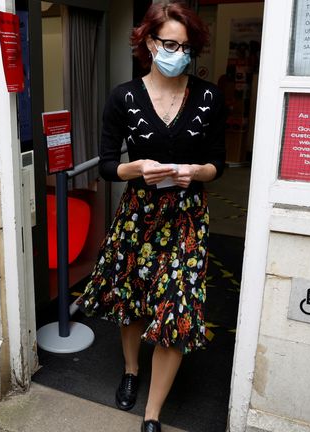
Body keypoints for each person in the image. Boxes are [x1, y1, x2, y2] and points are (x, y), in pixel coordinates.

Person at [75, 2, 225, 432]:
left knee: (177, 310)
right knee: (133, 301)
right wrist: (135, 168)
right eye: (169, 43)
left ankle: (153, 412)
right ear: (148, 41)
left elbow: (219, 163)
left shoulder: (209, 96)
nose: (177, 52)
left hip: (187, 217)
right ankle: (130, 370)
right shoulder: (123, 96)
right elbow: (106, 165)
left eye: (186, 45)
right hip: (138, 217)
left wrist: (198, 173)